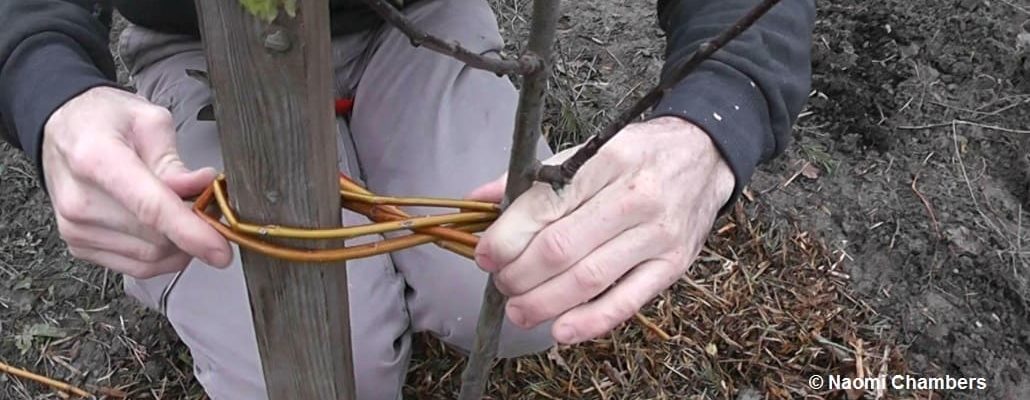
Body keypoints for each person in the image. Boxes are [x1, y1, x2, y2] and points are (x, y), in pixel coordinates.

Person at [0, 0, 815, 398]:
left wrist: (711, 119)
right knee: (319, 376)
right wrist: (49, 89)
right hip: (202, 39)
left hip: (419, 17)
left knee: (515, 291)